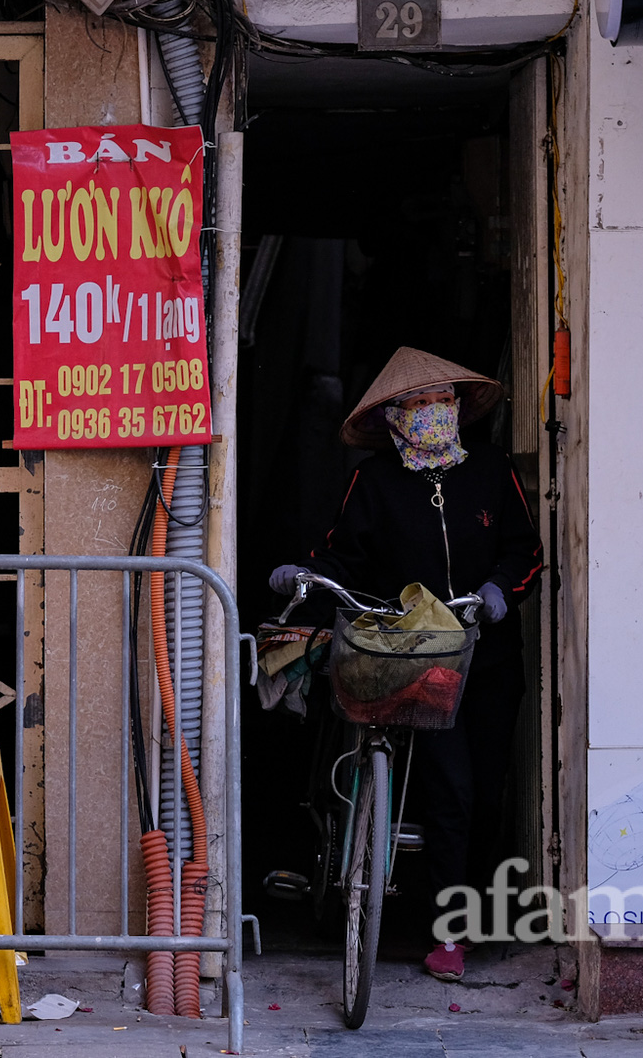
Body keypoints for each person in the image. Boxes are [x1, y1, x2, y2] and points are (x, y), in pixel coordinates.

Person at [269, 346, 541, 984]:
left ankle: (472, 912)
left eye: (438, 401)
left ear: (457, 407)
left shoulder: (493, 471)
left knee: (488, 792)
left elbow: (523, 548)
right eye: (414, 406)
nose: (429, 414)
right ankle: (448, 932)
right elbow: (344, 555)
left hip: (491, 655)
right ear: (392, 419)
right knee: (453, 791)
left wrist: (503, 589)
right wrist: (308, 575)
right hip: (414, 654)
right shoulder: (375, 481)